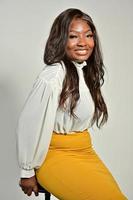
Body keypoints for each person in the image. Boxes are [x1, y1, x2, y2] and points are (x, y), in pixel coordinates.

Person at [16, 8, 127, 200]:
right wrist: (27, 171)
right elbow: (30, 125)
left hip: (84, 151)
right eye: (73, 36)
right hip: (55, 156)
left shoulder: (82, 71)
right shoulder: (53, 76)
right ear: (61, 40)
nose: (83, 42)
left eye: (88, 35)